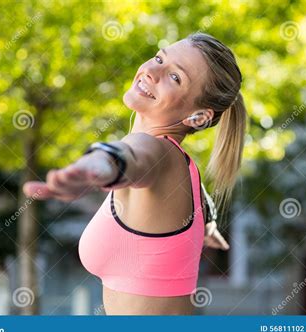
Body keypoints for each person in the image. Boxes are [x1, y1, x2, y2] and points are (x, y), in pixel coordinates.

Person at [23, 32, 246, 315]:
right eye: (159, 58)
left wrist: (96, 168)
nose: (151, 72)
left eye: (175, 77)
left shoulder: (159, 154)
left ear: (198, 118)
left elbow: (131, 157)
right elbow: (198, 199)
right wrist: (208, 225)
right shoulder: (182, 167)